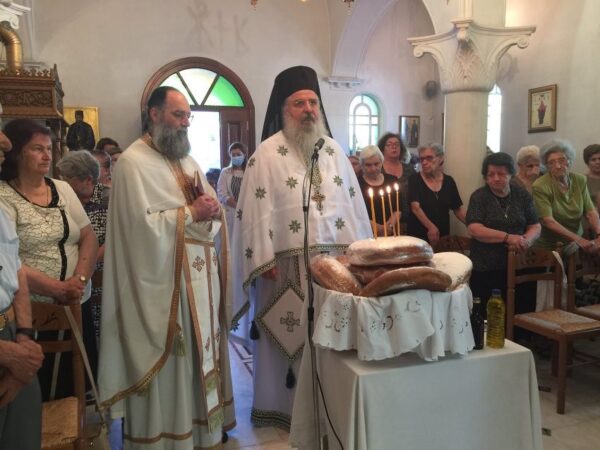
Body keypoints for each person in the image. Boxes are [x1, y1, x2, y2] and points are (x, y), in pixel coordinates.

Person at [231, 66, 371, 430]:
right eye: (299, 103)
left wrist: (358, 255)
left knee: (331, 339)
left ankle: (328, 408)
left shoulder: (334, 151)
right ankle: (284, 411)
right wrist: (263, 259)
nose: (308, 109)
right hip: (284, 269)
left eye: (313, 102)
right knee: (287, 340)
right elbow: (254, 214)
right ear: (283, 108)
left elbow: (353, 207)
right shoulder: (265, 154)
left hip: (334, 269)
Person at [98, 86, 235, 448]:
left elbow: (209, 208)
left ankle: (201, 431)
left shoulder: (188, 161)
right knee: (174, 363)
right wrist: (191, 213)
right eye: (178, 115)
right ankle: (166, 439)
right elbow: (137, 231)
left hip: (199, 281)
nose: (185, 123)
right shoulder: (132, 163)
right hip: (164, 287)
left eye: (188, 116)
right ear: (154, 114)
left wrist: (212, 211)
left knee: (200, 358)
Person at [0, 118, 98, 400]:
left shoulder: (62, 188)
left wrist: (78, 281)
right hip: (33, 308)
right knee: (41, 388)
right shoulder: (4, 195)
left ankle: (75, 422)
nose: (47, 155)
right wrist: (56, 288)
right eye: (37, 149)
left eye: (48, 148)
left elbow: (88, 236)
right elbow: (10, 259)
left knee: (76, 383)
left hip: (76, 298)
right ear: (17, 153)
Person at [0, 126, 44, 450]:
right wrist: (9, 355)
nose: (5, 143)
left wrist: (24, 341)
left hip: (13, 333)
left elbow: (15, 273)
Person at [466, 152, 541, 314]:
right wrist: (508, 237)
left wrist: (526, 240)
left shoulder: (521, 195)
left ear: (511, 174)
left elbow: (535, 225)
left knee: (521, 309)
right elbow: (474, 228)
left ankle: (520, 332)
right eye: (491, 174)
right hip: (487, 266)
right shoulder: (479, 197)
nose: (496, 178)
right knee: (490, 313)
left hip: (519, 262)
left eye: (501, 173)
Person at [56, 151, 110, 345]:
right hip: (72, 280)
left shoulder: (109, 198)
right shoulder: (60, 197)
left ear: (87, 180)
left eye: (68, 178)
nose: (62, 182)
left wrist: (86, 262)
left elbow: (116, 240)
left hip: (103, 277)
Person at [532, 139, 600, 253]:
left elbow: (590, 212)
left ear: (569, 160)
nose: (558, 166)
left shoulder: (580, 180)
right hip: (550, 247)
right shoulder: (540, 186)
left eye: (562, 160)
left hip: (576, 243)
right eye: (551, 162)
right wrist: (579, 240)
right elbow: (548, 221)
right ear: (547, 166)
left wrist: (599, 233)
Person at [407, 143, 465, 244]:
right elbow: (415, 207)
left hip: (442, 237)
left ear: (441, 158)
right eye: (422, 159)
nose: (424, 162)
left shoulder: (449, 181)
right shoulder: (414, 179)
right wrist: (431, 227)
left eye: (429, 158)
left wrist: (472, 225)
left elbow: (457, 209)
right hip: (418, 237)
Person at [357, 145, 400, 235]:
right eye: (368, 165)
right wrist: (378, 228)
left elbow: (398, 208)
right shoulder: (357, 184)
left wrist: (389, 226)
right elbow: (356, 213)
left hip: (390, 232)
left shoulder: (392, 180)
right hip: (366, 232)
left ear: (382, 162)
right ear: (362, 165)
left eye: (376, 164)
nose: (373, 168)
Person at [378, 132, 414, 233]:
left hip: (407, 219)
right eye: (389, 144)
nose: (394, 147)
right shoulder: (378, 169)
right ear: (382, 149)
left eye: (397, 144)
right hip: (383, 220)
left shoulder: (409, 169)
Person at [583, 144, 600, 210]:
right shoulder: (582, 181)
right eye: (593, 160)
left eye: (599, 159)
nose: (598, 162)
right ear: (587, 163)